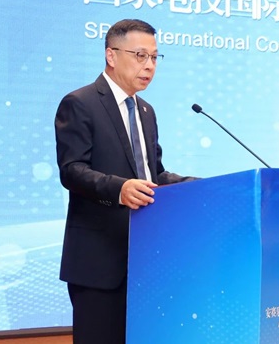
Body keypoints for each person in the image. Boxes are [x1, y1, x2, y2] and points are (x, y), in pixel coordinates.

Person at [54, 18, 197, 344]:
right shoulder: (80, 103)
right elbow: (72, 170)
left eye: (155, 57)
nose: (149, 66)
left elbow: (152, 173)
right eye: (140, 55)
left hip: (146, 257)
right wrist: (119, 189)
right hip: (99, 261)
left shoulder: (146, 111)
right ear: (111, 55)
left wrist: (192, 184)